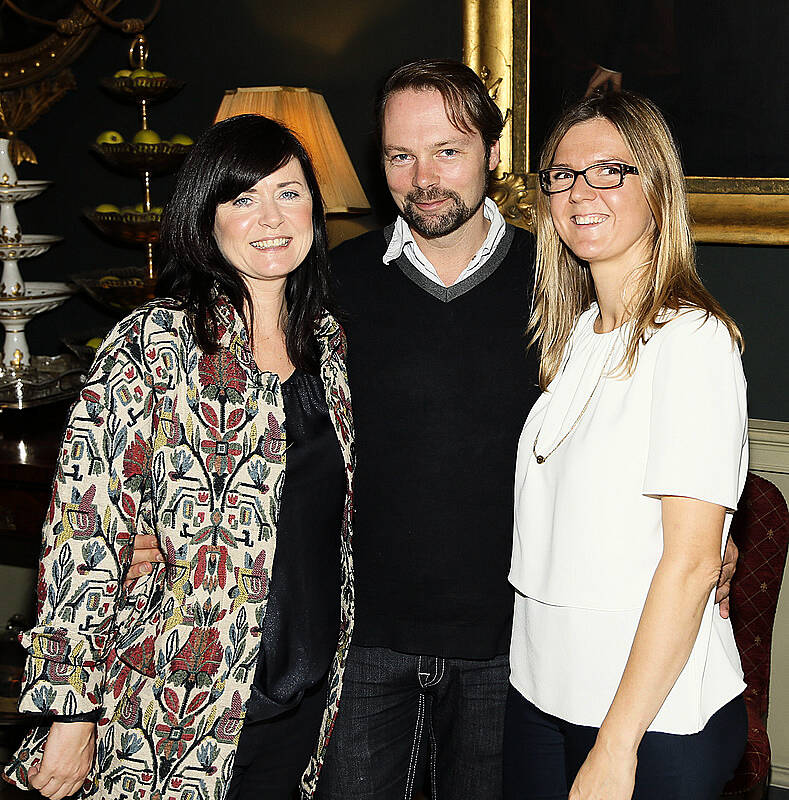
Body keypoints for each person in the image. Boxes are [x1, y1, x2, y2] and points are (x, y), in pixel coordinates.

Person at [127, 59, 738, 799]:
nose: (423, 175)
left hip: (509, 653)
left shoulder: (561, 285)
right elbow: (258, 422)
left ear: (490, 152)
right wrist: (162, 518)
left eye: (446, 150)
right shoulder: (324, 283)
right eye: (399, 155)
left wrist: (703, 538)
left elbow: (656, 455)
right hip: (362, 643)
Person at [3, 114, 355, 800]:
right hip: (172, 704)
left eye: (287, 192)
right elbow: (84, 531)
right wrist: (71, 715)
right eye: (242, 198)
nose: (270, 217)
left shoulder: (329, 346)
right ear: (206, 218)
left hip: (303, 699)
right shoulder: (153, 344)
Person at [504, 91, 748, 800]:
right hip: (539, 690)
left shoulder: (691, 342)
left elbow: (693, 559)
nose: (581, 191)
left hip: (646, 722)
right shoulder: (577, 336)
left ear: (656, 190)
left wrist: (617, 745)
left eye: (609, 170)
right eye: (562, 174)